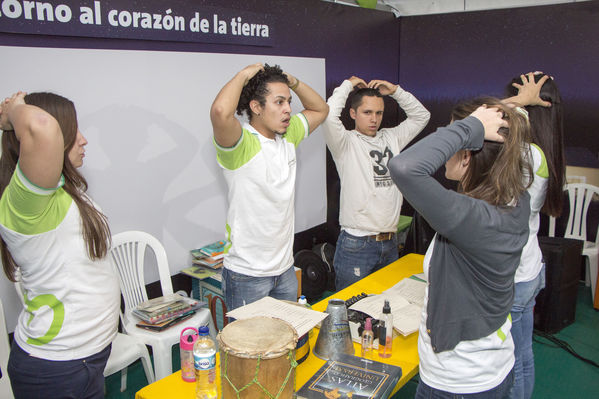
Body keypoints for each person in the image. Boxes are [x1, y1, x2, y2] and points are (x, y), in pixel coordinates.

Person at [389, 98, 532, 397]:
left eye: (454, 135)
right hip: (486, 367)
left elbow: (404, 167)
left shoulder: (475, 219)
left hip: (458, 382)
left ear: (466, 156)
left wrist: (474, 125)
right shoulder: (512, 199)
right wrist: (482, 120)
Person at [0, 92, 119, 398]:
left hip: (86, 358)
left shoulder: (66, 192)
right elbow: (42, 127)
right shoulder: (25, 205)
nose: (83, 140)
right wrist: (14, 112)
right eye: (72, 130)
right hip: (55, 370)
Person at [210, 63, 328, 311]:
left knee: (284, 344)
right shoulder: (241, 144)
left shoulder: (288, 136)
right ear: (256, 107)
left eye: (289, 102)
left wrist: (292, 81)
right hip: (247, 275)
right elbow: (221, 111)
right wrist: (243, 75)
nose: (288, 109)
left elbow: (321, 108)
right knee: (250, 349)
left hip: (284, 270)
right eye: (279, 102)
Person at [323, 76, 429, 290]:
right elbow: (328, 116)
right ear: (353, 113)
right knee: (351, 309)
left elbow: (422, 116)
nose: (374, 119)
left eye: (379, 113)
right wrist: (347, 86)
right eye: (367, 112)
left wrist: (396, 92)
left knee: (383, 308)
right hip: (357, 242)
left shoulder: (392, 137)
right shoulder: (345, 142)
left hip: (389, 242)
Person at [504, 72, 565, 399]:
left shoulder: (525, 153)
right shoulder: (543, 152)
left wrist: (517, 102)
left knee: (508, 360)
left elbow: (469, 120)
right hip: (528, 268)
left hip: (513, 275)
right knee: (523, 353)